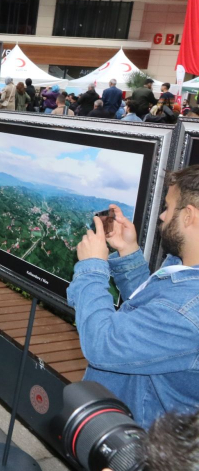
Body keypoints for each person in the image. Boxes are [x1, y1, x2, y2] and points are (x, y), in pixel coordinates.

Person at [68, 165, 199, 429]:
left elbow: (102, 343)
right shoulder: (185, 271)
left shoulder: (187, 311)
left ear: (188, 216)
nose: (162, 216)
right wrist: (128, 251)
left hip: (144, 448)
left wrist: (92, 267)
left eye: (168, 206)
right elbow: (151, 313)